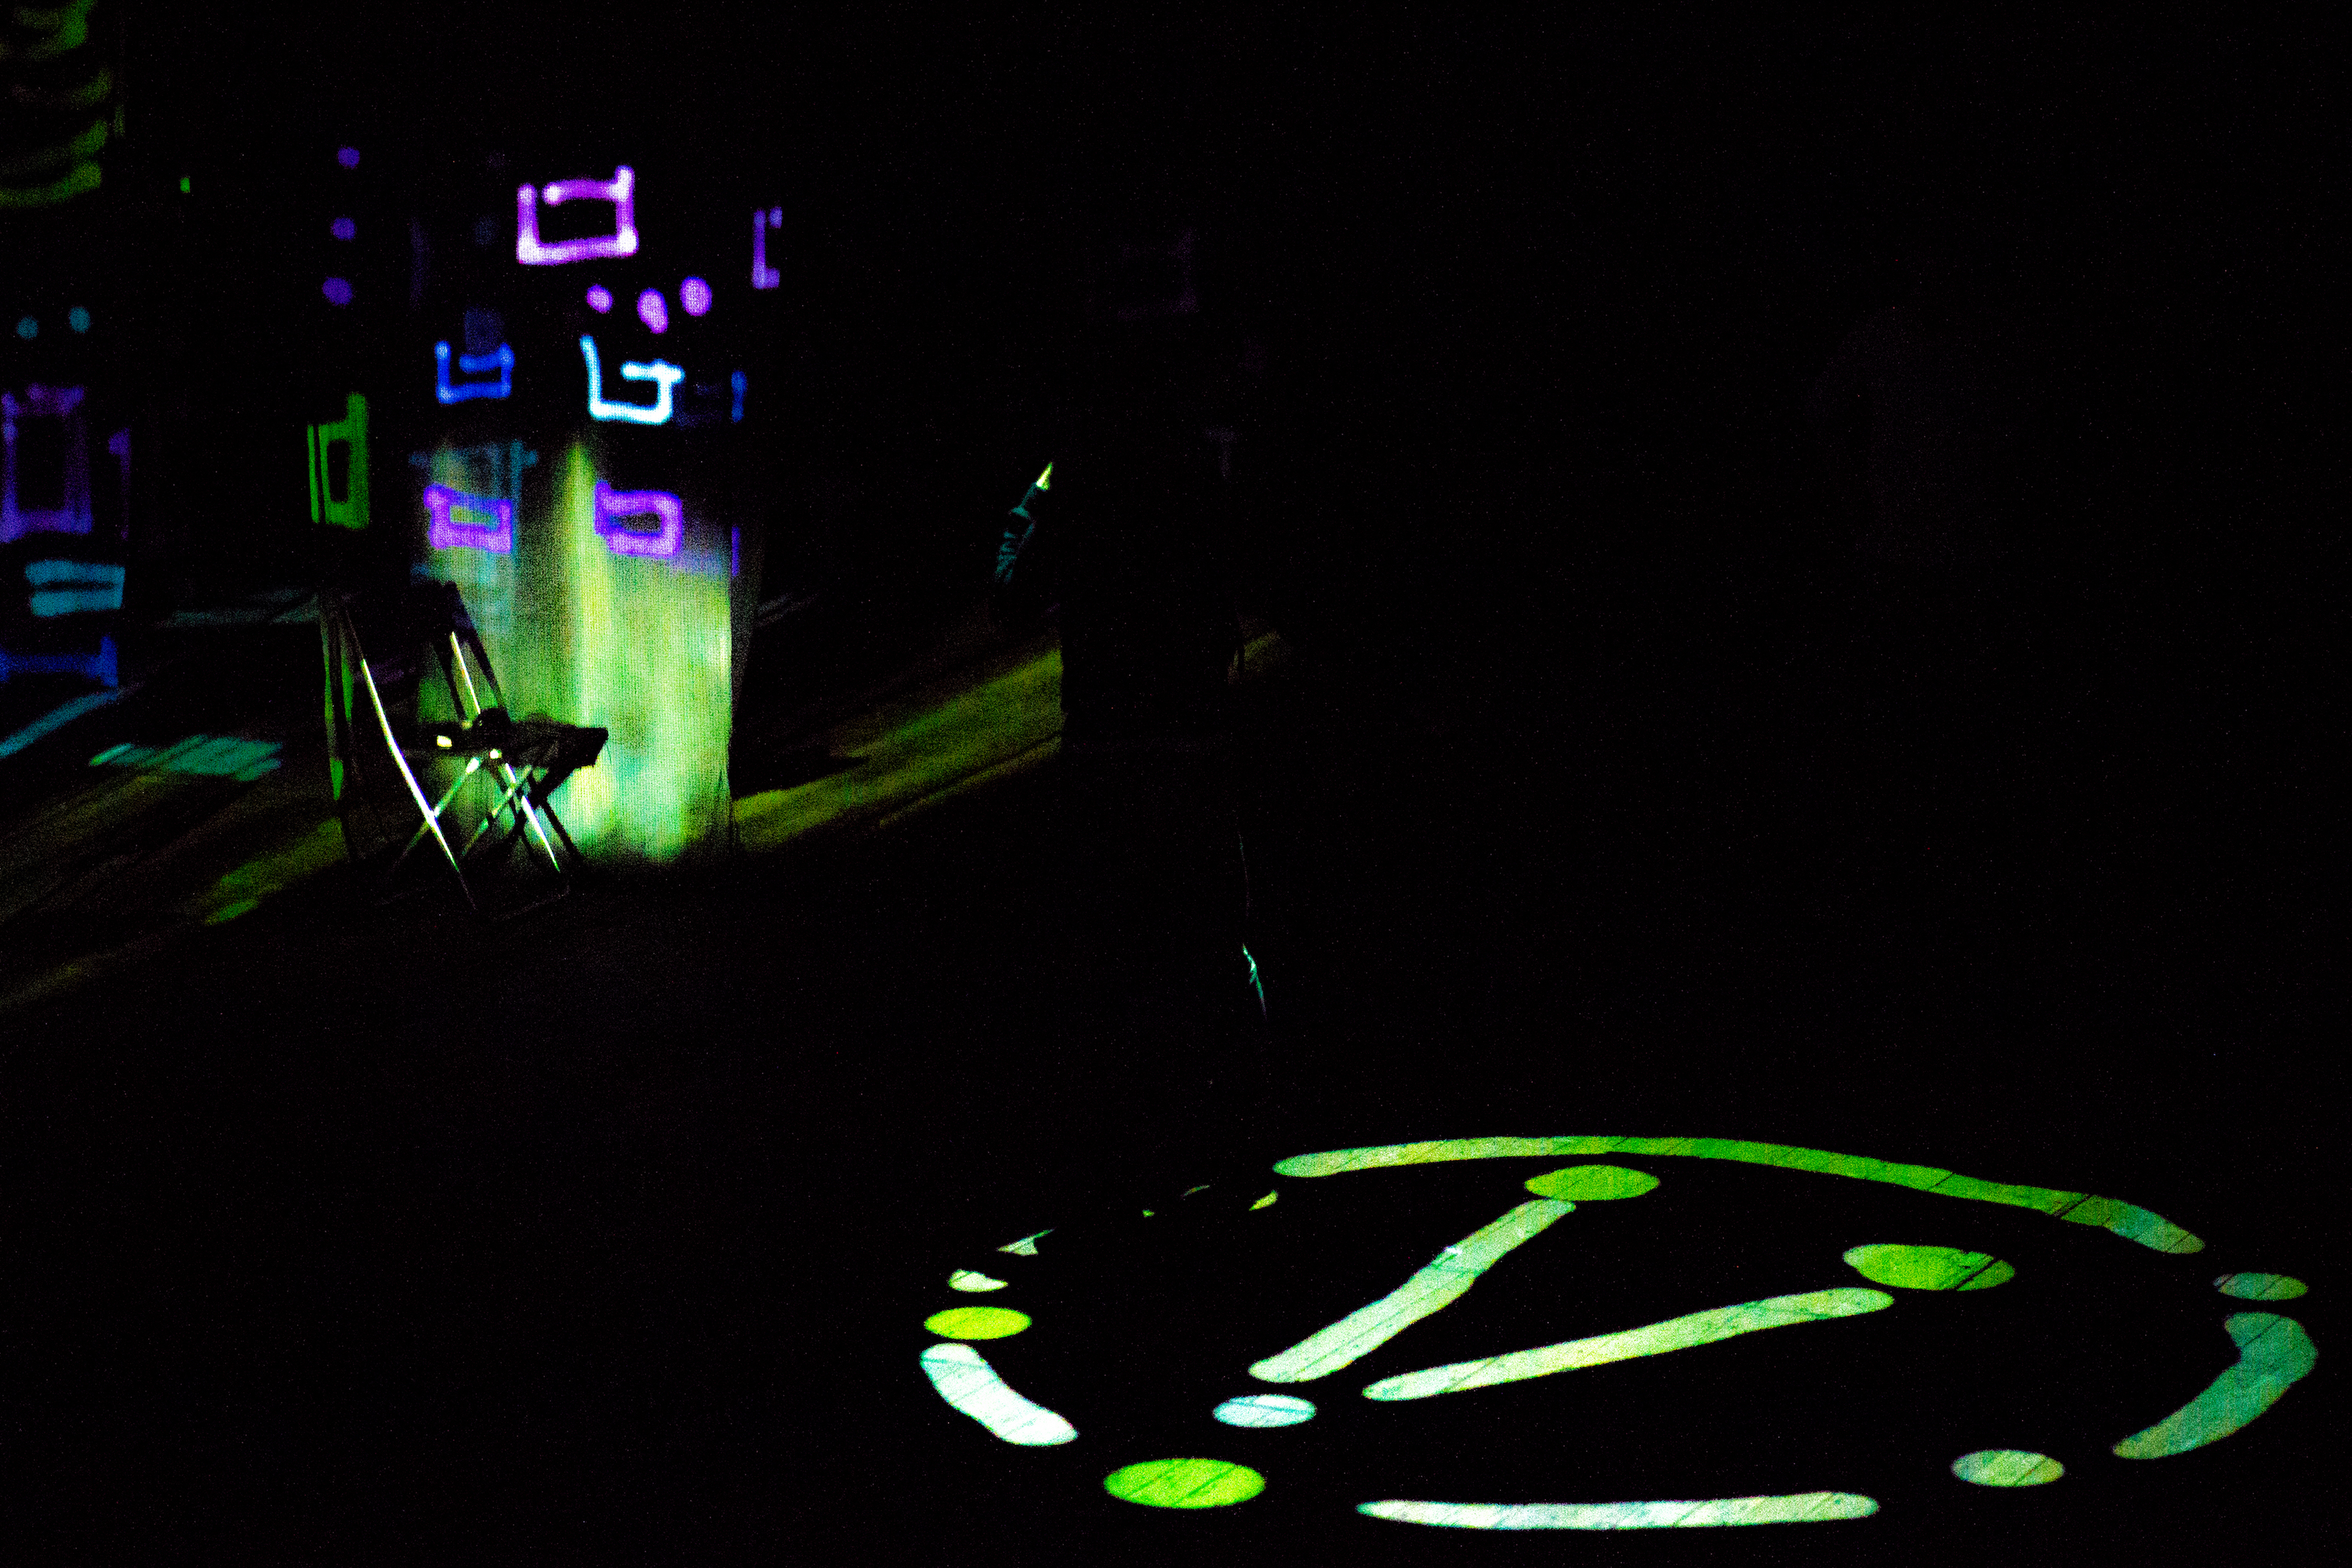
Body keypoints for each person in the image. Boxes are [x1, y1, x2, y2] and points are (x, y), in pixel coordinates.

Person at [991, 198, 1276, 1152]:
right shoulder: (1190, 472)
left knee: (1117, 947)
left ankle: (1133, 1128)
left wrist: (1042, 491)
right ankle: (1239, 1119)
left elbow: (1011, 594)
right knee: (1212, 941)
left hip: (1108, 746)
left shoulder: (1081, 483)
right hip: (1189, 739)